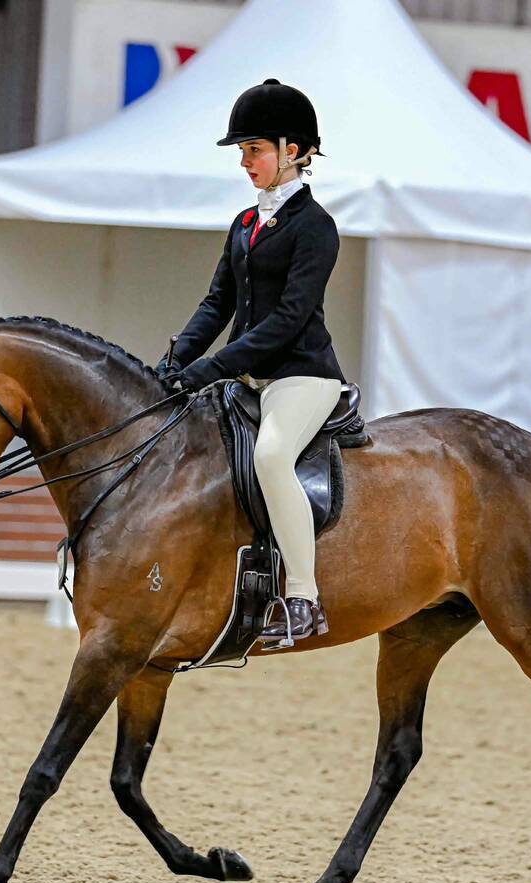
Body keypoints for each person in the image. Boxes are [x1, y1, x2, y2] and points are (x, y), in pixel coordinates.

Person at [158, 78, 346, 643]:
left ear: (294, 151)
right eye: (243, 151)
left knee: (271, 456)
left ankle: (303, 598)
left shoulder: (316, 227)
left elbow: (288, 319)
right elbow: (217, 303)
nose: (245, 162)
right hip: (248, 375)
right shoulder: (245, 223)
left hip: (301, 374)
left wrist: (210, 368)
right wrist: (175, 360)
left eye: (254, 150)